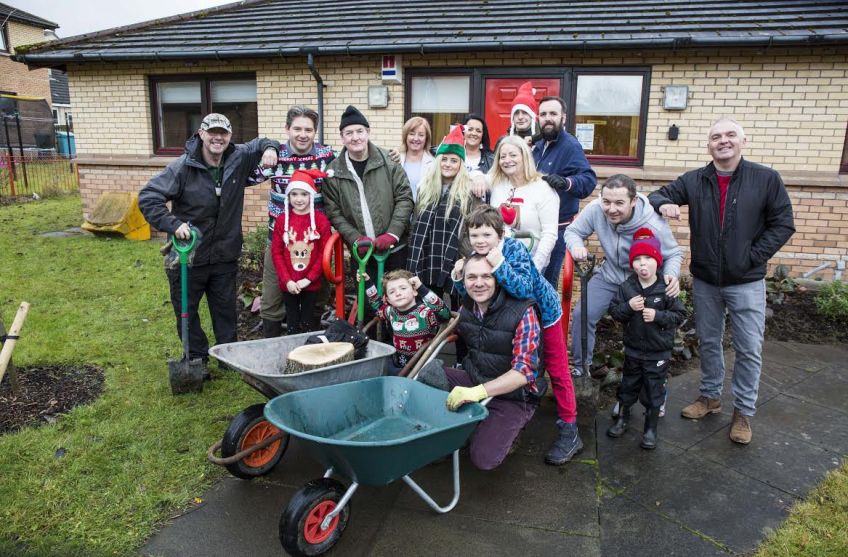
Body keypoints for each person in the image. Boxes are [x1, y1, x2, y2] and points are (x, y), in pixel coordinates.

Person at [648, 118, 795, 445]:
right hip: (706, 281)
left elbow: (783, 224)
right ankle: (710, 397)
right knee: (709, 340)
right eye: (716, 137)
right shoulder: (695, 180)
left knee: (748, 347)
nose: (723, 141)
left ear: (743, 141)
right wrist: (665, 203)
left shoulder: (766, 179)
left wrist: (752, 257)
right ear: (709, 145)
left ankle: (743, 411)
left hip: (746, 282)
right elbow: (655, 195)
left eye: (730, 135)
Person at [139, 113, 279, 365]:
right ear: (201, 134)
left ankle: (227, 355)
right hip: (187, 255)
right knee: (187, 311)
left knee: (225, 309)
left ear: (230, 136)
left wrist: (269, 148)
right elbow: (149, 197)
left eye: (223, 133)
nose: (218, 137)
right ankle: (195, 358)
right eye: (212, 132)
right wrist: (173, 224)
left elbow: (262, 142)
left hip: (224, 254)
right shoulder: (182, 167)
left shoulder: (238, 158)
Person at [451, 206, 582, 466]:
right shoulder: (474, 254)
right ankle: (499, 411)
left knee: (556, 369)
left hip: (544, 312)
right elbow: (470, 290)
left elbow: (523, 289)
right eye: (474, 235)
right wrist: (458, 277)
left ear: (500, 235)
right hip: (507, 317)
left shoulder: (513, 251)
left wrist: (498, 263)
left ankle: (569, 429)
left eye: (486, 235)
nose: (480, 241)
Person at [420, 253, 542, 471]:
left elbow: (523, 373)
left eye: (486, 276)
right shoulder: (468, 308)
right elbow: (442, 318)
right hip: (474, 376)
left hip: (512, 395)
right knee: (426, 375)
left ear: (497, 278)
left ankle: (507, 425)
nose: (478, 283)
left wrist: (476, 393)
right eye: (471, 277)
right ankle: (458, 427)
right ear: (463, 280)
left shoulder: (523, 311)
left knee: (484, 459)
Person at [564, 174, 683, 378]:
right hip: (609, 276)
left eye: (619, 203)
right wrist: (576, 246)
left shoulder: (653, 222)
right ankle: (581, 368)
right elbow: (573, 231)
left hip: (642, 282)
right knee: (582, 315)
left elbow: (674, 253)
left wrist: (671, 275)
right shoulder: (595, 210)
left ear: (633, 201)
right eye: (607, 201)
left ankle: (648, 379)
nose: (611, 209)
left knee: (647, 327)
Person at [248, 105, 336, 338]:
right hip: (279, 241)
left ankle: (312, 345)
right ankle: (271, 346)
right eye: (297, 128)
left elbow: (357, 161)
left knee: (317, 296)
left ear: (315, 132)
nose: (302, 134)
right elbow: (243, 175)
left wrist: (393, 154)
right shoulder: (276, 156)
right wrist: (266, 147)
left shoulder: (327, 156)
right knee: (272, 300)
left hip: (316, 243)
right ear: (287, 129)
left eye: (308, 129)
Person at [607, 228, 687, 449]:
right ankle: (623, 418)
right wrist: (628, 307)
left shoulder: (666, 287)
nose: (643, 264)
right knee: (628, 385)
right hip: (633, 349)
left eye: (648, 259)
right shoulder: (627, 287)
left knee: (654, 389)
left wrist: (659, 316)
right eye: (637, 260)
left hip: (657, 351)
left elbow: (681, 314)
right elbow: (614, 311)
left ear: (658, 261)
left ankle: (650, 429)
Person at [323, 105, 415, 281]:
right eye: (349, 133)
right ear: (342, 138)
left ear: (368, 132)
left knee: (398, 300)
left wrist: (392, 233)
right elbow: (334, 213)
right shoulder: (333, 171)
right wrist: (355, 238)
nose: (355, 137)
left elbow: (404, 198)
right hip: (362, 253)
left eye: (360, 131)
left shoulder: (389, 161)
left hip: (395, 250)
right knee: (367, 302)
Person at [406, 124, 483, 299]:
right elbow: (416, 221)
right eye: (444, 159)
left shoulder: (469, 193)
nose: (448, 164)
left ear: (461, 164)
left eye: (454, 160)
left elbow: (475, 228)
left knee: (450, 307)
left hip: (452, 257)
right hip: (424, 255)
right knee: (424, 303)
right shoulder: (424, 188)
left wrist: (468, 255)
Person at [532, 96, 598, 288]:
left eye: (553, 113)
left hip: (557, 229)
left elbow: (588, 180)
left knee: (545, 285)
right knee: (530, 281)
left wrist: (566, 182)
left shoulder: (570, 145)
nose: (548, 118)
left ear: (563, 117)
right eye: (543, 114)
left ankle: (547, 319)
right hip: (535, 228)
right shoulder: (537, 146)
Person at [270, 169, 332, 335]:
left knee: (307, 320)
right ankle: (292, 353)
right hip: (288, 283)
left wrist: (309, 279)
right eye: (294, 194)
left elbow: (324, 254)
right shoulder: (282, 220)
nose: (299, 199)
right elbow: (276, 252)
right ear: (288, 197)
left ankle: (307, 353)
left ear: (311, 196)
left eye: (304, 194)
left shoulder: (321, 221)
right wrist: (287, 280)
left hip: (310, 283)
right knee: (291, 319)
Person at [488, 135, 560, 273]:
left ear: (524, 157)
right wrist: (478, 177)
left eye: (513, 155)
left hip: (531, 261)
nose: (507, 160)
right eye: (502, 157)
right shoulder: (497, 184)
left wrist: (535, 267)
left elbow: (550, 234)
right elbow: (476, 178)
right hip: (500, 261)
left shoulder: (543, 189)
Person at [365, 269, 451, 372]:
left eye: (403, 288)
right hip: (399, 365)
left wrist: (421, 288)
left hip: (423, 366)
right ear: (388, 300)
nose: (398, 293)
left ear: (414, 291)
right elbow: (377, 305)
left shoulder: (424, 313)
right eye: (392, 292)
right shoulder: (391, 312)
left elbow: (445, 314)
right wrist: (367, 282)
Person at [398, 116, 434, 200]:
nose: (416, 138)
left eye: (421, 135)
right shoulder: (395, 160)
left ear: (426, 138)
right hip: (399, 212)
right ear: (405, 136)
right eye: (412, 134)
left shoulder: (433, 163)